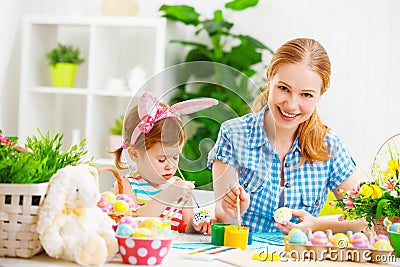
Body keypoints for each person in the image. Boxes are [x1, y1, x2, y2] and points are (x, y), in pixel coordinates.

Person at [208, 38, 367, 234]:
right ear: (269, 78)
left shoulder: (329, 145)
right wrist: (231, 209)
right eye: (283, 88)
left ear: (320, 94)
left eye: (306, 95)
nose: (291, 105)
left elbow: (364, 216)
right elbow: (224, 219)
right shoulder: (234, 134)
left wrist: (318, 225)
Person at [112, 92, 218, 234]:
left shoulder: (179, 186)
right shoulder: (126, 185)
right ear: (135, 154)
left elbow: (186, 228)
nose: (170, 166)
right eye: (161, 159)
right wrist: (167, 195)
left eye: (175, 157)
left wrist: (197, 226)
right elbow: (129, 224)